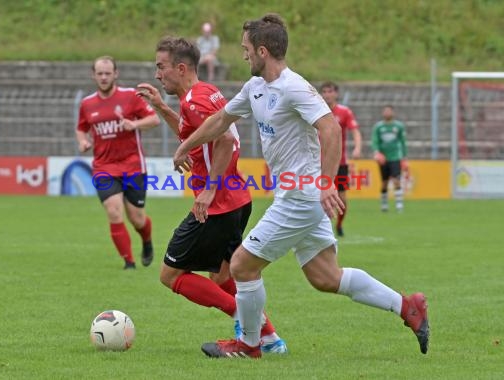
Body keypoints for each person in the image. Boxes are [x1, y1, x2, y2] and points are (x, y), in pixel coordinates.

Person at [173, 13, 429, 359]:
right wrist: (186, 145)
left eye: (246, 49)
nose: (243, 54)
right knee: (326, 277)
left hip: (301, 195)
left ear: (262, 51)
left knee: (241, 266)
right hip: (298, 195)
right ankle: (407, 306)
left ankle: (250, 345)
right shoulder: (255, 88)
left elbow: (331, 129)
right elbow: (220, 120)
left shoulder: (294, 87)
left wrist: (325, 183)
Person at [137, 37, 287, 353]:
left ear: (180, 68)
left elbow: (224, 141)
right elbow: (199, 135)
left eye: (161, 67)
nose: (157, 75)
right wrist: (162, 108)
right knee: (223, 277)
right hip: (235, 201)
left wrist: (208, 189)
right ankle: (270, 339)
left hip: (216, 205)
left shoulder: (196, 101)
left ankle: (243, 321)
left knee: (170, 274)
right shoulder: (201, 94)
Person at [76, 56, 160, 269]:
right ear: (93, 75)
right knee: (114, 211)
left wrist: (134, 124)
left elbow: (154, 120)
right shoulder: (87, 103)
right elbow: (81, 128)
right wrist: (83, 141)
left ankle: (147, 241)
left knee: (137, 218)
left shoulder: (131, 96)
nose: (103, 77)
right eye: (99, 73)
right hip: (104, 167)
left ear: (116, 74)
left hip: (132, 165)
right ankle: (129, 262)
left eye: (107, 73)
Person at [320, 81, 362, 237]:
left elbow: (355, 131)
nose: (327, 94)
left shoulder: (344, 112)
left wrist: (357, 148)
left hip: (340, 163)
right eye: (324, 91)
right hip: (319, 163)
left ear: (336, 93)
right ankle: (323, 228)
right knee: (318, 197)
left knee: (342, 199)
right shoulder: (316, 111)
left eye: (330, 91)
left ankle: (339, 224)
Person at [371, 105, 408, 212]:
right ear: (383, 113)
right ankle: (384, 204)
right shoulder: (378, 127)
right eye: (385, 111)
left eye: (389, 111)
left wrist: (404, 157)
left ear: (393, 113)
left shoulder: (399, 126)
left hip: (395, 157)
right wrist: (377, 152)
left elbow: (403, 142)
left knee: (396, 180)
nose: (387, 113)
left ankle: (399, 205)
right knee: (384, 182)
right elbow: (375, 141)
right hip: (383, 158)